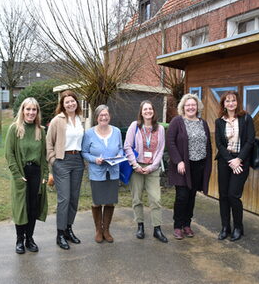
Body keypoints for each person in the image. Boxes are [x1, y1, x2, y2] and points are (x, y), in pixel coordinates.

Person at [5, 97, 48, 254]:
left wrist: (45, 174)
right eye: (28, 109)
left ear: (37, 112)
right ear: (22, 111)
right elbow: (9, 154)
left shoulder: (40, 131)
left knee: (32, 208)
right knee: (21, 207)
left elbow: (43, 156)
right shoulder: (14, 129)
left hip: (36, 173)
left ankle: (29, 239)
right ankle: (19, 240)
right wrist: (17, 175)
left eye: (34, 109)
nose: (31, 112)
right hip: (21, 174)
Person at [166, 93, 212, 240]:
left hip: (198, 165)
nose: (191, 107)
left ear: (197, 107)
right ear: (183, 107)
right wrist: (178, 161)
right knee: (182, 196)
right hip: (182, 166)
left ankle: (187, 224)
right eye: (188, 105)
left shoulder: (203, 123)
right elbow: (170, 142)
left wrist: (207, 165)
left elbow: (208, 144)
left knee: (191, 196)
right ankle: (178, 226)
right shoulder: (177, 121)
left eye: (193, 105)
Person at [124, 100, 168, 243]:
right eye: (145, 109)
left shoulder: (160, 129)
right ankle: (140, 226)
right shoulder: (134, 126)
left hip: (152, 168)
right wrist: (135, 165)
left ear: (154, 111)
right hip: (136, 167)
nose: (148, 111)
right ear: (141, 112)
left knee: (156, 199)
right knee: (137, 198)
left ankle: (157, 229)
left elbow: (160, 150)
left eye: (150, 109)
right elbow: (127, 146)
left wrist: (152, 167)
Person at [46, 90, 84, 250]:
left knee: (74, 199)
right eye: (67, 102)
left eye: (72, 101)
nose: (70, 104)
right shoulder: (57, 121)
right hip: (62, 161)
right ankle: (60, 233)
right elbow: (48, 144)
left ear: (77, 102)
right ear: (62, 104)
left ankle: (69, 229)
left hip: (78, 161)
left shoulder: (81, 119)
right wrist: (54, 162)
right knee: (64, 199)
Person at [215, 90, 255, 241]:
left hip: (241, 161)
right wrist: (229, 160)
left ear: (237, 102)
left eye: (233, 101)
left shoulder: (246, 119)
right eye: (227, 101)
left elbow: (250, 141)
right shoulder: (219, 121)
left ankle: (238, 227)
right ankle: (225, 227)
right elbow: (219, 143)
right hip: (225, 161)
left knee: (233, 195)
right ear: (223, 104)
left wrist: (239, 159)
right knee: (223, 195)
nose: (230, 103)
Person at [82, 105, 123, 243]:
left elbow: (121, 149)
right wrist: (94, 159)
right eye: (101, 115)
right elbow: (84, 152)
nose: (104, 117)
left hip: (113, 172)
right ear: (97, 117)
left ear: (109, 116)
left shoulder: (116, 131)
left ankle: (106, 230)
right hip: (97, 172)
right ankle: (98, 230)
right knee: (97, 202)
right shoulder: (89, 133)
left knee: (110, 202)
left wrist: (118, 156)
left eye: (106, 115)